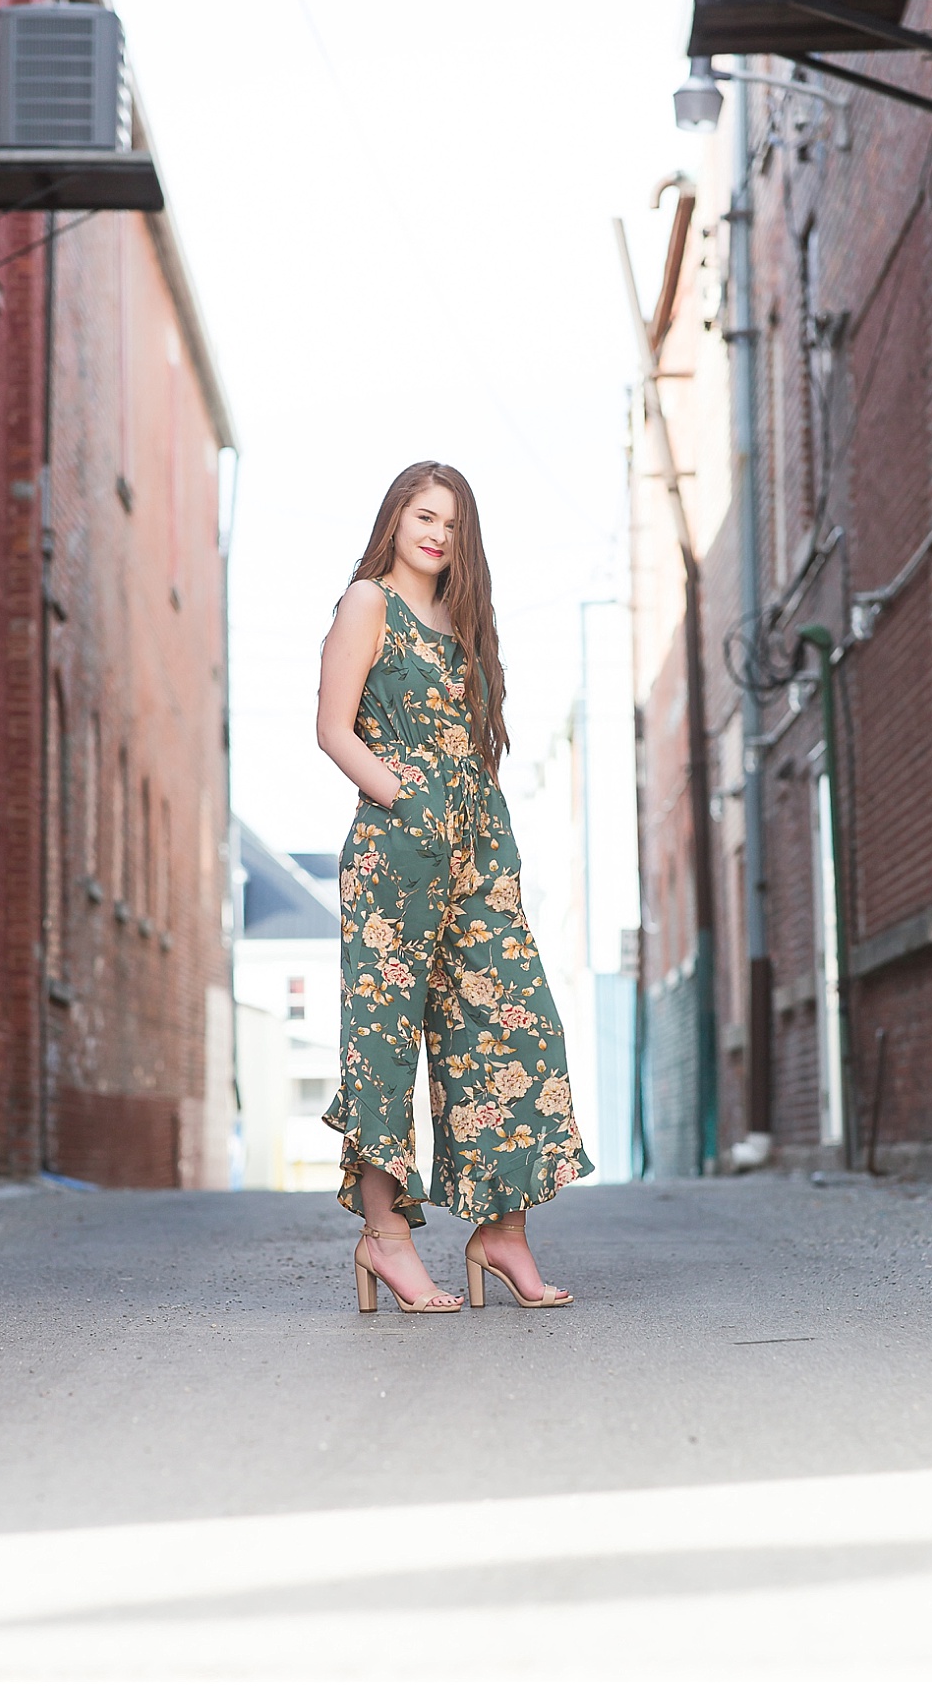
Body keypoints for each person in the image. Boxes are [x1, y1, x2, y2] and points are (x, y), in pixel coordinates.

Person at [316, 461, 593, 1315]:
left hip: (478, 847)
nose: (437, 534)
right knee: (386, 1041)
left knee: (512, 1025)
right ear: (396, 517)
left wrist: (468, 817)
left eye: (452, 524)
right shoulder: (368, 602)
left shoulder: (465, 617)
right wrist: (404, 796)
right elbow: (331, 729)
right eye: (423, 515)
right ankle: (386, 1239)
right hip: (398, 848)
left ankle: (500, 1232)